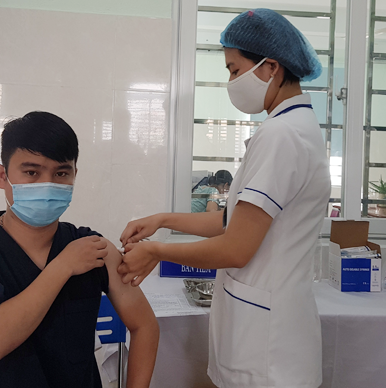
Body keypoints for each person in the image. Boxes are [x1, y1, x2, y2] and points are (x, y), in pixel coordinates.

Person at [117, 9, 330, 388]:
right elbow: (229, 221)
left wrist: (156, 251)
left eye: (235, 70)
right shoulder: (294, 128)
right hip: (267, 335)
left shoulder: (281, 136)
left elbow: (235, 247)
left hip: (268, 351)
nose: (231, 81)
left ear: (270, 68)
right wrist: (163, 219)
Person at [0, 111, 159, 388]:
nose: (47, 184)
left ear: (75, 175)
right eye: (31, 172)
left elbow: (145, 325)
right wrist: (63, 267)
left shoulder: (93, 248)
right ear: (3, 176)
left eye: (61, 173)